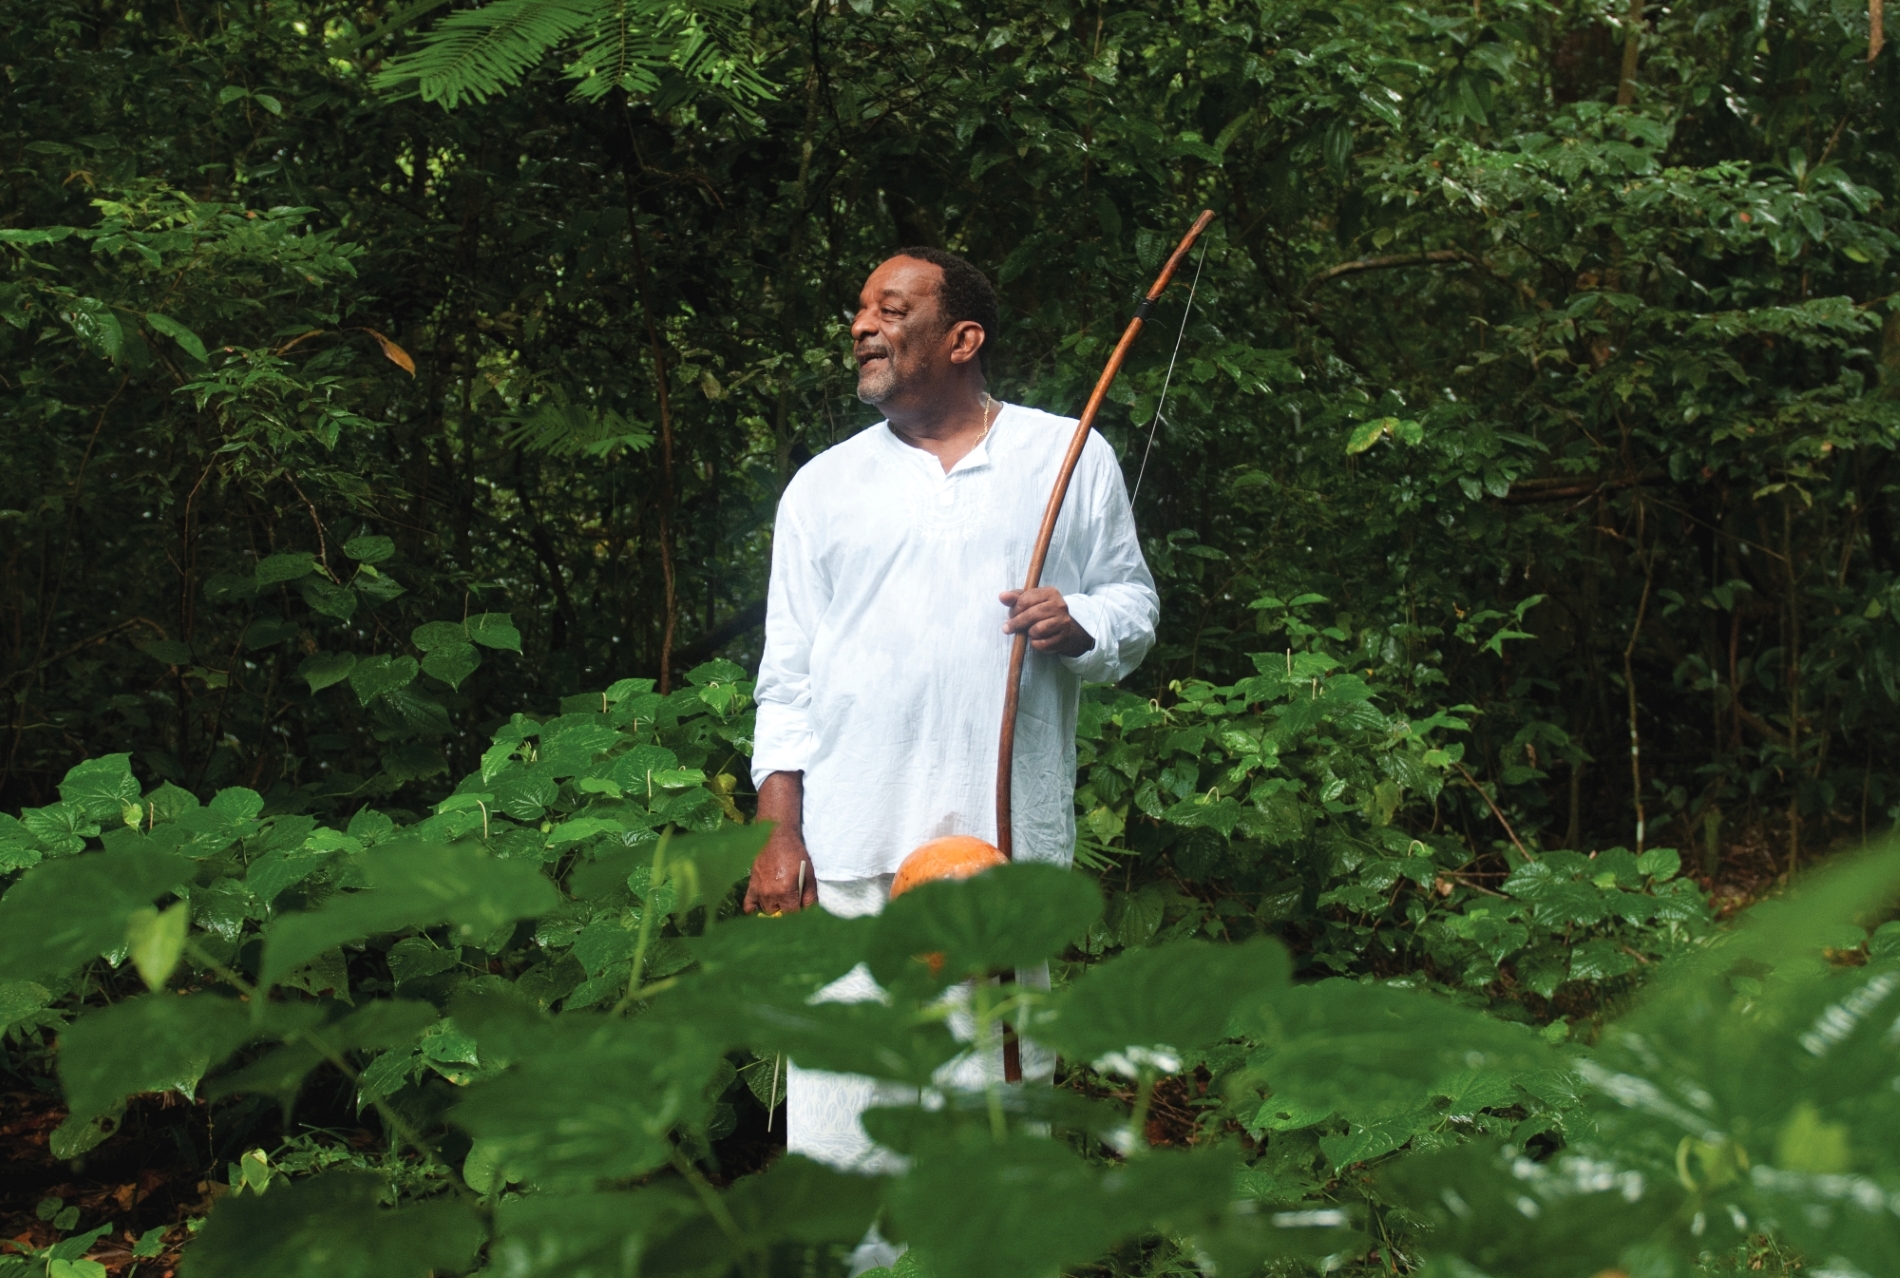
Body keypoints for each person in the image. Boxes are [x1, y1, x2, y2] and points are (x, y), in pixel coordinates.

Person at [743, 246, 1160, 1192]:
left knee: (992, 1113)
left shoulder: (1067, 454)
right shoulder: (823, 487)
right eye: (862, 311)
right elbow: (788, 673)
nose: (862, 327)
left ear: (963, 338)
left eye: (891, 310)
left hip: (996, 848)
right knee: (845, 1120)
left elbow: (1133, 605)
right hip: (853, 849)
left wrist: (1080, 619)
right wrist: (780, 828)